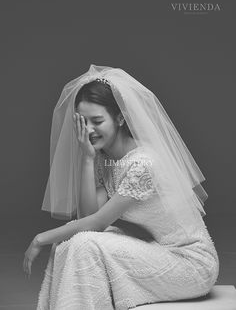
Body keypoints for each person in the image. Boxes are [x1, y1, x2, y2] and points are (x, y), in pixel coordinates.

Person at [23, 64, 219, 310]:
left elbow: (95, 224)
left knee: (83, 243)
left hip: (191, 265)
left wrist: (40, 238)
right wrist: (87, 159)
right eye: (83, 123)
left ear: (120, 118)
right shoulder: (105, 160)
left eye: (97, 121)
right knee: (69, 241)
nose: (90, 130)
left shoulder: (144, 163)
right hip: (159, 252)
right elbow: (87, 220)